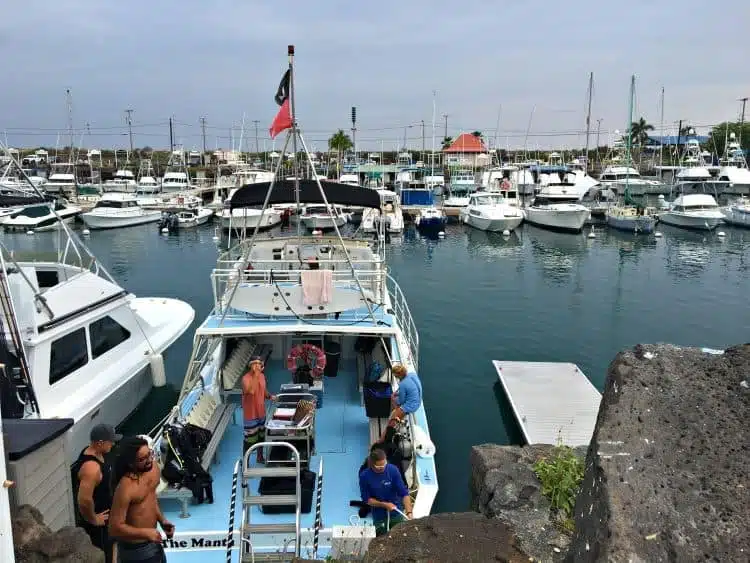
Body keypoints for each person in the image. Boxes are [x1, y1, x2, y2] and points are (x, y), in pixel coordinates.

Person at [109, 436, 174, 563]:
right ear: (130, 463)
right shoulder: (125, 487)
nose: (149, 460)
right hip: (135, 551)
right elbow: (114, 528)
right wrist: (145, 533)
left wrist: (162, 521)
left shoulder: (153, 468)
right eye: (142, 459)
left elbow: (151, 498)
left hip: (154, 544)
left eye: (149, 454)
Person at [73, 424, 121, 563]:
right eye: (110, 441)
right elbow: (84, 500)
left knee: (112, 545)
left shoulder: (97, 452)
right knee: (103, 554)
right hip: (99, 525)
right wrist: (94, 519)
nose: (113, 443)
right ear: (100, 443)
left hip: (108, 517)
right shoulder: (91, 468)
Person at [359, 448, 413, 536]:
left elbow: (404, 493)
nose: (383, 468)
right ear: (372, 465)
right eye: (380, 467)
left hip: (396, 510)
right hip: (379, 515)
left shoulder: (393, 470)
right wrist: (384, 505)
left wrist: (409, 513)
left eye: (385, 465)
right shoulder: (364, 476)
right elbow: (367, 500)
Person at [242, 357, 276, 463]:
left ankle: (260, 457)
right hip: (250, 415)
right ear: (250, 365)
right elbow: (251, 391)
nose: (257, 366)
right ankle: (245, 463)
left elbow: (263, 389)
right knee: (250, 441)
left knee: (261, 437)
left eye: (259, 364)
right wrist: (256, 374)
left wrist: (270, 396)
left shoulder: (262, 376)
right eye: (255, 364)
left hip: (261, 412)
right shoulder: (245, 378)